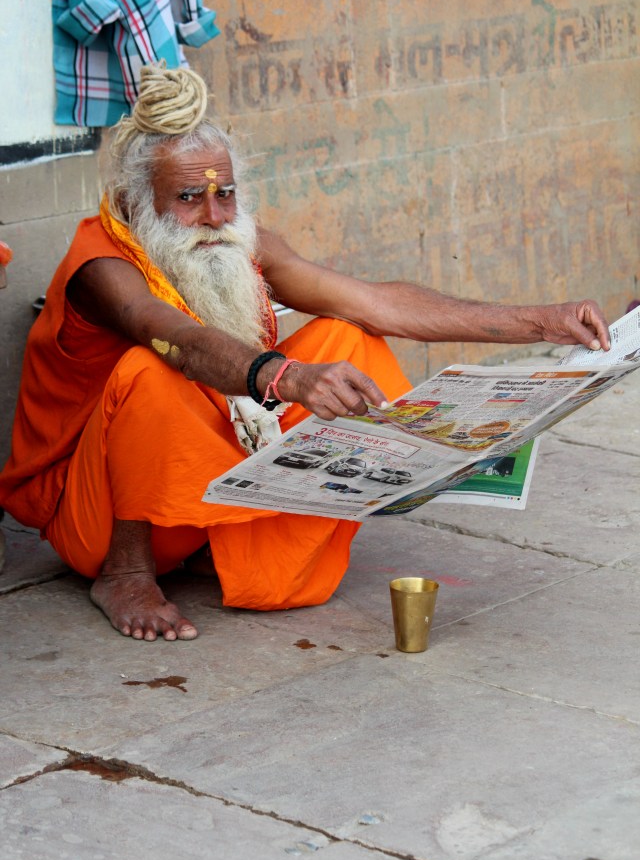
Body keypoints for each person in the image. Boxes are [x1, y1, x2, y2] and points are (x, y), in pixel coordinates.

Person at [0, 63, 611, 643]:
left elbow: (376, 303)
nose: (213, 218)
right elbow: (175, 337)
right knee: (150, 368)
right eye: (188, 199)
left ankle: (235, 544)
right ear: (136, 206)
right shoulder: (101, 264)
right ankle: (126, 577)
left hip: (196, 491)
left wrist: (539, 320)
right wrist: (284, 376)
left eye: (225, 196)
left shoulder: (241, 239)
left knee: (347, 337)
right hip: (98, 519)